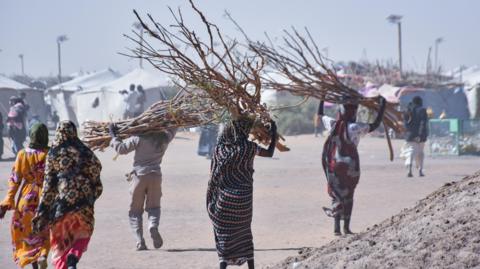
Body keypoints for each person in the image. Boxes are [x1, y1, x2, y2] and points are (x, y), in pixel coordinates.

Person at [206, 117, 277, 269]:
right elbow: (269, 153)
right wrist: (274, 132)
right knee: (245, 233)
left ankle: (223, 265)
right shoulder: (249, 147)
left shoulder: (220, 148)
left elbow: (213, 174)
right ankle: (251, 266)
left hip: (223, 201)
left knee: (224, 235)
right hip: (243, 201)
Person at [32, 121, 103, 269]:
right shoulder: (85, 151)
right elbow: (96, 170)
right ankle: (74, 256)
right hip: (83, 205)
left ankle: (64, 264)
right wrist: (90, 194)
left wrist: (42, 210)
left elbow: (48, 185)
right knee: (84, 232)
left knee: (59, 244)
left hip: (61, 206)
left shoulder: (53, 153)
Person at [318, 96, 386, 236]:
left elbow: (320, 115)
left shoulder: (333, 124)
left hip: (334, 165)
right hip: (350, 167)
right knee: (349, 195)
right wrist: (382, 107)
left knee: (336, 194)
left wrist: (322, 98)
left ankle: (336, 228)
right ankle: (346, 228)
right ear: (354, 112)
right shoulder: (355, 127)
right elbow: (375, 124)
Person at [108, 124, 176, 251]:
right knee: (154, 207)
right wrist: (171, 119)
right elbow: (173, 128)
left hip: (139, 177)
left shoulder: (138, 138)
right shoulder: (164, 138)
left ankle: (139, 241)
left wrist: (114, 136)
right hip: (155, 177)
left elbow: (121, 149)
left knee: (135, 211)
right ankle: (153, 225)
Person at [0, 123, 50, 269]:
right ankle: (43, 255)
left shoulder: (22, 154)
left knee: (27, 233)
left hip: (27, 200)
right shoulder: (51, 154)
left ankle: (34, 264)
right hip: (46, 198)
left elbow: (15, 180)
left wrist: (7, 202)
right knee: (45, 231)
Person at [402, 96, 428, 177]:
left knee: (410, 152)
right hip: (420, 137)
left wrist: (408, 133)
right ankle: (420, 170)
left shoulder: (407, 110)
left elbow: (405, 124)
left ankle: (409, 170)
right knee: (420, 153)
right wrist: (420, 135)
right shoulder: (422, 110)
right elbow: (423, 123)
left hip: (410, 136)